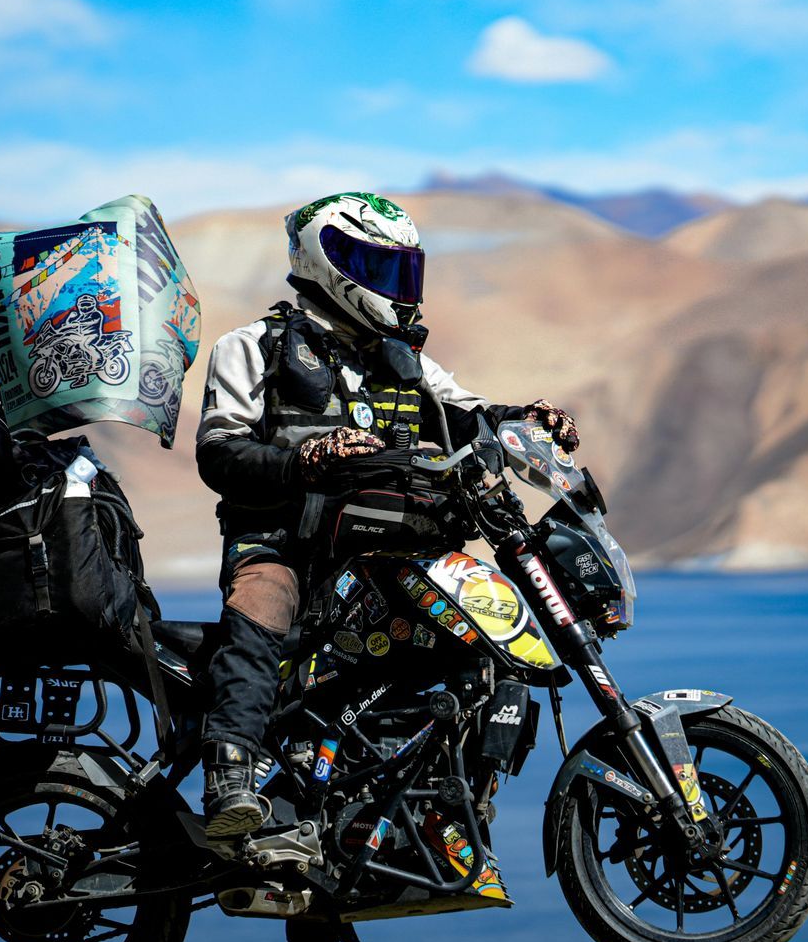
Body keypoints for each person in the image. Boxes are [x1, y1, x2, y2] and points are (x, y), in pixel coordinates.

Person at [193, 192, 578, 837]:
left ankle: (410, 821)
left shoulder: (407, 363)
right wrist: (305, 462)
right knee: (266, 594)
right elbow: (219, 454)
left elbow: (471, 413)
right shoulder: (254, 346)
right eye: (381, 269)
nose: (397, 289)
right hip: (281, 539)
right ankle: (228, 769)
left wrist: (528, 419)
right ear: (331, 264)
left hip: (379, 552)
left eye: (404, 271)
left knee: (466, 638)